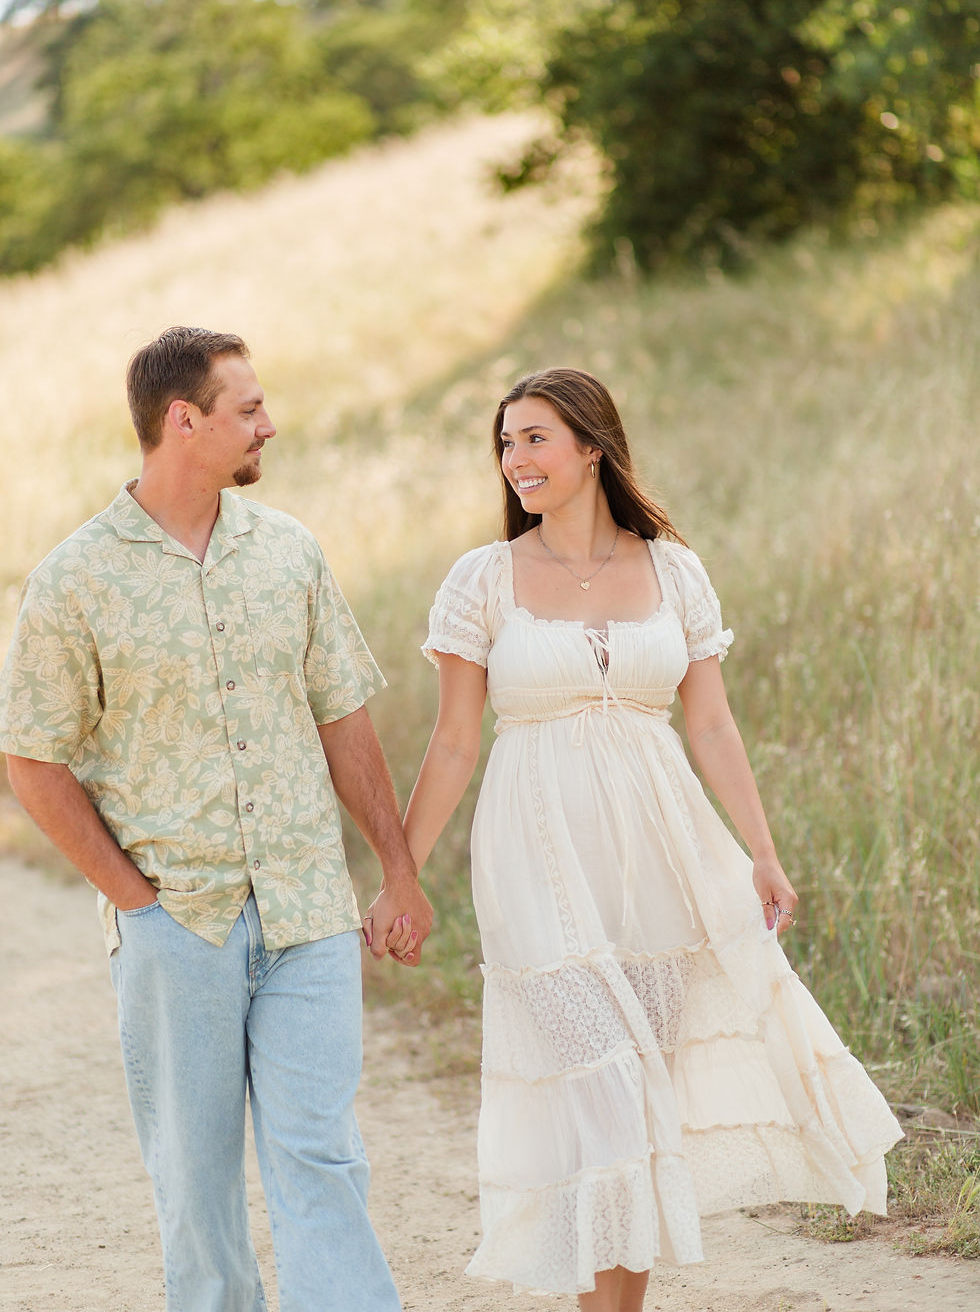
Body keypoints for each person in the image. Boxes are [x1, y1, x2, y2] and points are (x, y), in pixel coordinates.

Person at [391, 368, 902, 1312]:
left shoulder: (673, 569)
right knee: (606, 1089)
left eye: (535, 438)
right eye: (506, 443)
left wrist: (763, 849)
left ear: (592, 446)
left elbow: (710, 724)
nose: (516, 460)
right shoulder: (484, 579)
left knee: (639, 1099)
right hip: (537, 855)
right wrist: (400, 874)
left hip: (662, 855)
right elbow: (456, 739)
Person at [0, 325, 430, 1312]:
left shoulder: (290, 553)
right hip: (174, 926)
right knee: (196, 1186)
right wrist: (134, 900)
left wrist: (395, 871)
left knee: (319, 1156)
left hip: (307, 912)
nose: (268, 426)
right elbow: (31, 756)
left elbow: (344, 720)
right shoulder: (76, 580)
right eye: (248, 411)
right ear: (181, 421)